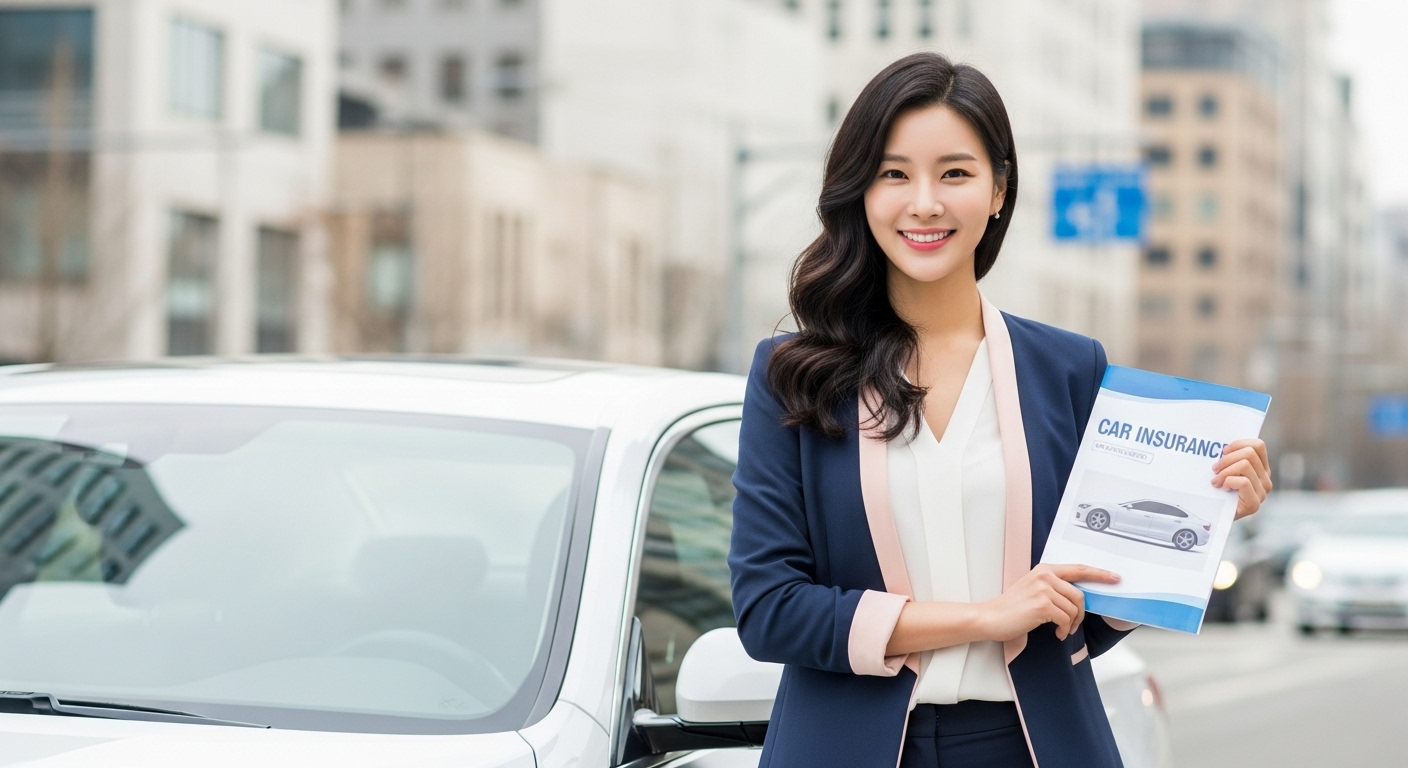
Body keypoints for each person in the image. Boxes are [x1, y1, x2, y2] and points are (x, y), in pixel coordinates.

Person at [727, 52, 1271, 768]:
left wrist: (1202, 522)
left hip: (1035, 748)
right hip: (844, 747)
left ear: (997, 190)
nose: (924, 202)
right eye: (895, 174)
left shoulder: (1071, 370)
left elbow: (1088, 618)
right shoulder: (793, 374)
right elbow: (769, 610)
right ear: (861, 190)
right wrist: (984, 618)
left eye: (954, 173)